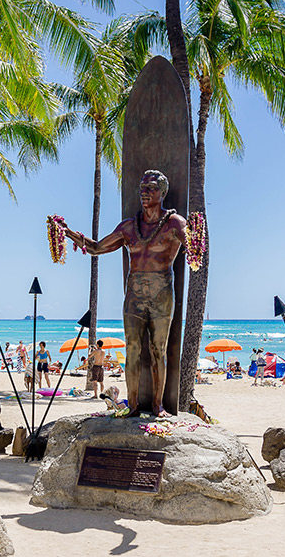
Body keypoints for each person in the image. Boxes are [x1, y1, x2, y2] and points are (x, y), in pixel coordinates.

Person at [58, 170, 191, 417]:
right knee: (132, 349)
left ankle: (158, 405)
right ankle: (132, 404)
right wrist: (68, 232)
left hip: (162, 293)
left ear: (162, 193)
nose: (144, 192)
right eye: (142, 188)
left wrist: (197, 242)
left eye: (150, 188)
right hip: (134, 296)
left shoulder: (174, 223)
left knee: (157, 350)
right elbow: (97, 248)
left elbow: (194, 249)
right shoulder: (129, 227)